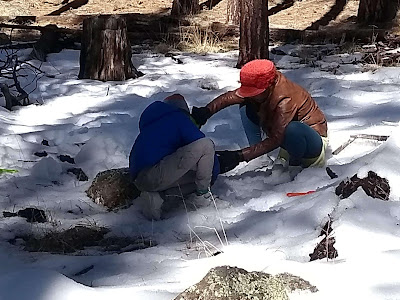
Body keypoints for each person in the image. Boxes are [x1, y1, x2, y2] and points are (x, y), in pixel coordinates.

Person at [191, 59, 328, 175]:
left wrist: (239, 156)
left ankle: (296, 167)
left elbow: (276, 138)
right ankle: (260, 158)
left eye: (255, 92)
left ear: (269, 85)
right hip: (286, 140)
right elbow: (232, 97)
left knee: (293, 129)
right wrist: (207, 111)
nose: (251, 94)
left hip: (311, 141)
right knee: (245, 106)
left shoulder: (285, 99)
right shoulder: (265, 85)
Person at [129, 94, 220, 220]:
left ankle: (159, 196)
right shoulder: (179, 118)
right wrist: (213, 174)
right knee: (206, 145)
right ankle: (202, 197)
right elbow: (201, 143)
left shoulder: (153, 123)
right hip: (156, 172)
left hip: (139, 179)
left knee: (194, 175)